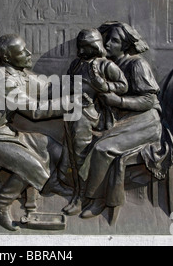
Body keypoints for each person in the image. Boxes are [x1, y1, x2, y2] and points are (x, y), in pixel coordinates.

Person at [0, 34, 69, 231]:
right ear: (7, 57)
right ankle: (0, 203)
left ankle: (50, 183)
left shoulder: (18, 72)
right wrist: (68, 104)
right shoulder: (3, 79)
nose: (29, 53)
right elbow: (35, 111)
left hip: (5, 131)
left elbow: (46, 88)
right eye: (23, 51)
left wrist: (77, 88)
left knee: (54, 148)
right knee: (31, 166)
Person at [78, 21, 173, 219]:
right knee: (85, 137)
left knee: (102, 148)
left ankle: (98, 200)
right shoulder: (111, 65)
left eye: (113, 41)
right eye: (106, 40)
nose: (107, 44)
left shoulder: (137, 64)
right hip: (127, 119)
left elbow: (149, 100)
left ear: (125, 45)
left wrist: (118, 100)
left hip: (146, 122)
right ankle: (78, 189)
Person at [62, 29, 128, 216]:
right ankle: (75, 191)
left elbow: (123, 86)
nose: (82, 50)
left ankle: (83, 197)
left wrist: (105, 87)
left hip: (91, 115)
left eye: (86, 46)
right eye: (80, 46)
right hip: (72, 110)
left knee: (80, 155)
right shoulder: (76, 64)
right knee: (71, 155)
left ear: (95, 46)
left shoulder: (105, 66)